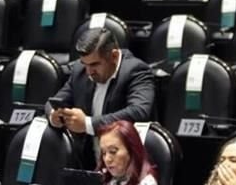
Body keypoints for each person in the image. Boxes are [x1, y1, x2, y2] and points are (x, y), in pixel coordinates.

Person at [47, 29, 155, 163]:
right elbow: (54, 101)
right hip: (88, 162)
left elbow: (139, 111)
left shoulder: (136, 71)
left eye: (94, 64)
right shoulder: (80, 70)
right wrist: (54, 116)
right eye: (85, 64)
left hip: (126, 164)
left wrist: (88, 124)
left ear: (114, 56)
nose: (88, 72)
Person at [97, 120, 161, 185]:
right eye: (104, 153)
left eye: (113, 151)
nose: (107, 159)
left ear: (132, 151)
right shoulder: (104, 177)